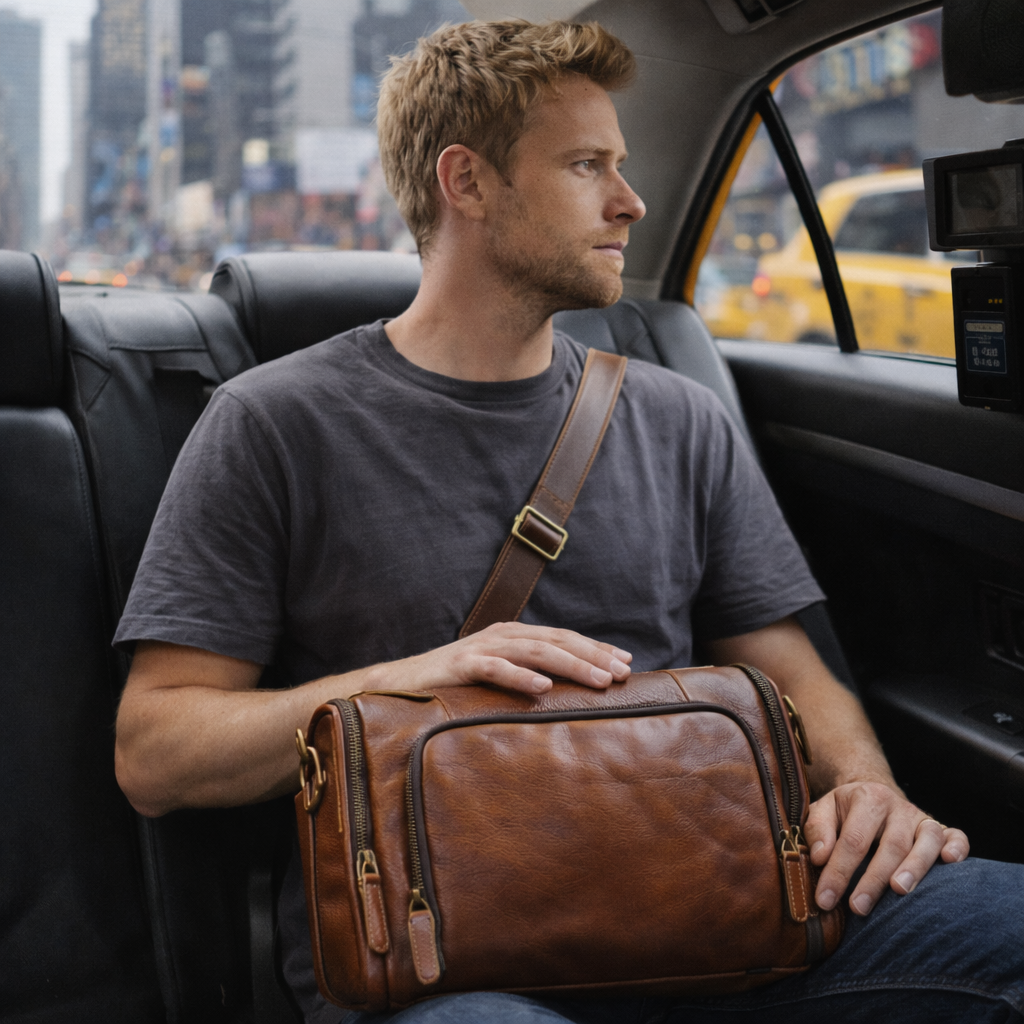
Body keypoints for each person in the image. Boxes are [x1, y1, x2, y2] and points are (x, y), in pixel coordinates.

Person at [113, 19, 1022, 1024]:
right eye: (587, 165)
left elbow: (798, 677)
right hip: (444, 964)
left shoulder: (678, 417)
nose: (628, 201)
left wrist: (865, 790)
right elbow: (154, 752)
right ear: (467, 183)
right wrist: (402, 685)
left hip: (725, 921)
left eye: (621, 166)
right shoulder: (273, 424)